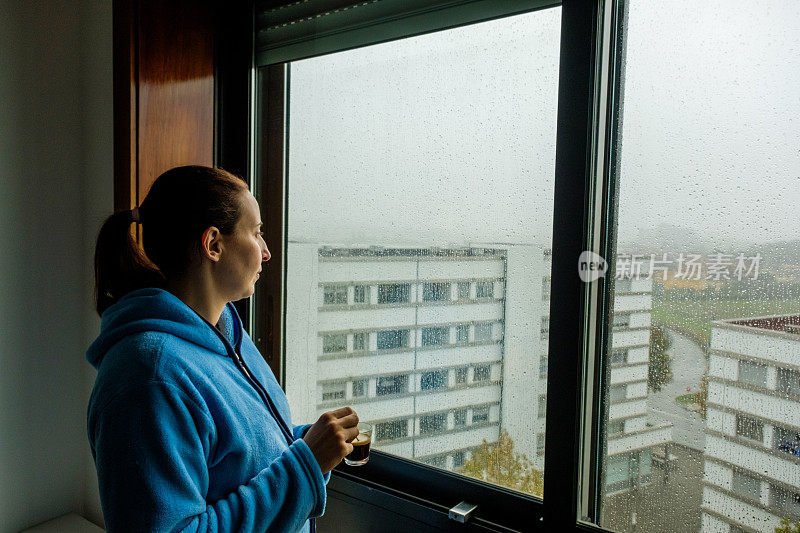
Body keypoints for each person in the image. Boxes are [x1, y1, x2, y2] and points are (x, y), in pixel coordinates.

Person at [87, 165, 359, 532]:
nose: (265, 252)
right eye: (257, 232)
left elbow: (236, 458)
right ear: (213, 244)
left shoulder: (226, 334)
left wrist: (305, 444)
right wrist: (306, 465)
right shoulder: (149, 378)